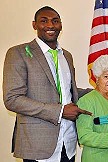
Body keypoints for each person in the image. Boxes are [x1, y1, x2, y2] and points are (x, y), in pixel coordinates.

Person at [3, 6, 92, 162]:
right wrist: (60, 111)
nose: (50, 25)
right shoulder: (18, 53)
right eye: (44, 21)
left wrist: (99, 91)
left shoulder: (67, 56)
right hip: (37, 146)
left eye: (55, 21)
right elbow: (12, 98)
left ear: (61, 25)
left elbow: (67, 92)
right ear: (34, 25)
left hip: (68, 143)